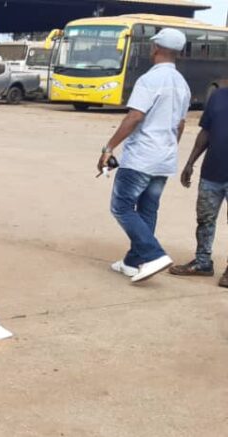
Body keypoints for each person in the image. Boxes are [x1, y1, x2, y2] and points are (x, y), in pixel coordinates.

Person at [99, 28, 190, 283]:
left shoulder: (149, 80)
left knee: (122, 207)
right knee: (148, 210)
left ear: (156, 49)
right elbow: (180, 124)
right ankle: (133, 262)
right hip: (164, 159)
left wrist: (109, 147)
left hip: (141, 157)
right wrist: (170, 148)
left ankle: (154, 254)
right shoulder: (182, 83)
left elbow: (135, 116)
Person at [170, 87, 228, 287]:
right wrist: (190, 163)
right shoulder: (218, 96)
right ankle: (203, 262)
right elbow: (206, 131)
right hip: (212, 172)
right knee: (204, 219)